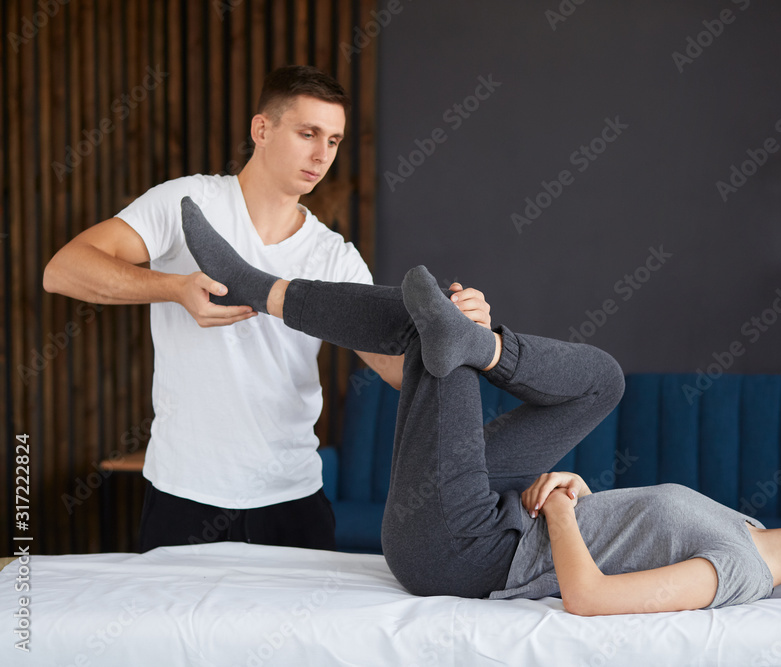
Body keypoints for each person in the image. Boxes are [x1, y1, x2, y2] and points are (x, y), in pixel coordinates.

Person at [181, 197, 781, 628]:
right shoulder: (749, 532)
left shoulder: (741, 570)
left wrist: (559, 510)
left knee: (432, 338)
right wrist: (570, 498)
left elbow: (591, 597)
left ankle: (279, 291)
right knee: (599, 381)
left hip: (461, 551)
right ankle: (474, 341)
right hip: (498, 516)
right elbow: (621, 545)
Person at [41, 65, 493, 552]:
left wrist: (459, 332)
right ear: (262, 129)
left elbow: (393, 369)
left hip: (291, 498)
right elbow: (63, 270)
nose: (322, 155)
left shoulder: (334, 256)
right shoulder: (187, 202)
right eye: (308, 134)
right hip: (183, 491)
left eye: (334, 141)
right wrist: (174, 288)